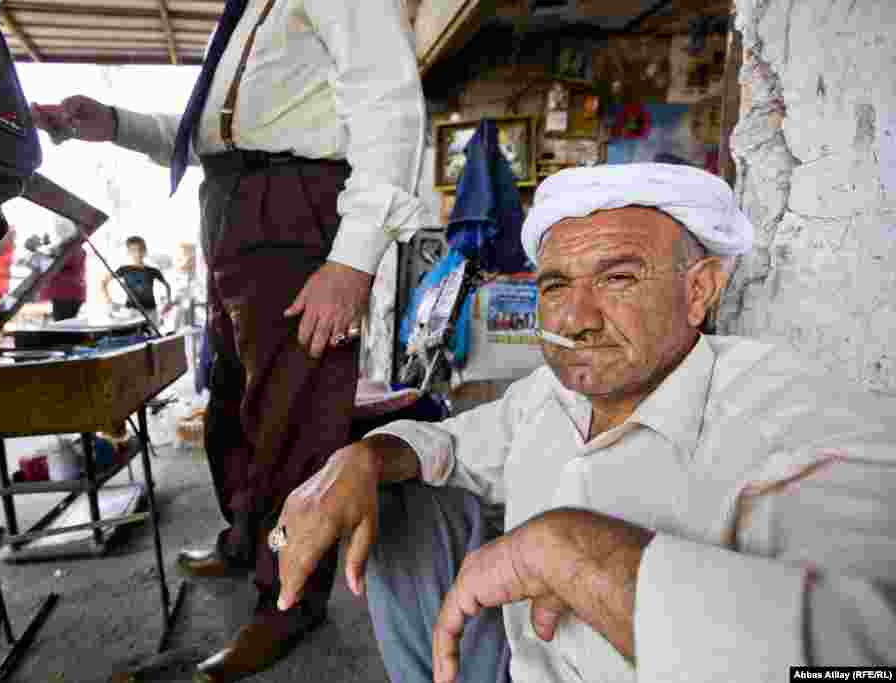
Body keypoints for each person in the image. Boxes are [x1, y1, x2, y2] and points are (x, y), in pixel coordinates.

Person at [272, 163, 896, 683]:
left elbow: (869, 663)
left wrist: (571, 551)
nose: (574, 320)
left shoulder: (801, 420)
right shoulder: (550, 396)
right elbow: (450, 447)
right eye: (555, 285)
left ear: (699, 291)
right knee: (404, 499)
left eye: (618, 278)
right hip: (522, 669)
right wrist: (362, 458)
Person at [30, 0, 426, 678]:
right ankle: (248, 536)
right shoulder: (247, 13)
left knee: (292, 416)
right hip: (232, 203)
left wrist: (353, 258)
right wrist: (117, 125)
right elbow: (214, 135)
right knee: (232, 404)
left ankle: (288, 596)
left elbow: (388, 105)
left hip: (293, 205)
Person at [102, 236, 170, 324]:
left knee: (153, 335)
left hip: (151, 311)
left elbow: (167, 285)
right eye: (133, 250)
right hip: (131, 312)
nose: (138, 253)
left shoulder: (153, 270)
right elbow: (103, 282)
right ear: (128, 252)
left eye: (141, 249)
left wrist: (168, 301)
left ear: (145, 251)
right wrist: (109, 301)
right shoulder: (124, 269)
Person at [40, 221, 87, 321]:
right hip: (67, 293)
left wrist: (48, 254)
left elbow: (53, 266)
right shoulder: (70, 247)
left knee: (63, 324)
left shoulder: (70, 248)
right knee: (63, 323)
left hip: (66, 294)